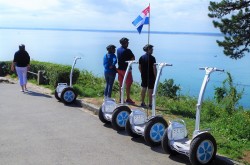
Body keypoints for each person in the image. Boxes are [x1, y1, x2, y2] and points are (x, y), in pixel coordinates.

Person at [117, 37, 135, 104]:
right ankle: (128, 98)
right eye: (127, 42)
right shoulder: (128, 50)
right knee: (129, 83)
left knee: (121, 84)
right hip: (126, 69)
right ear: (125, 43)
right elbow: (133, 58)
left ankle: (121, 98)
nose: (128, 43)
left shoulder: (118, 50)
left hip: (120, 69)